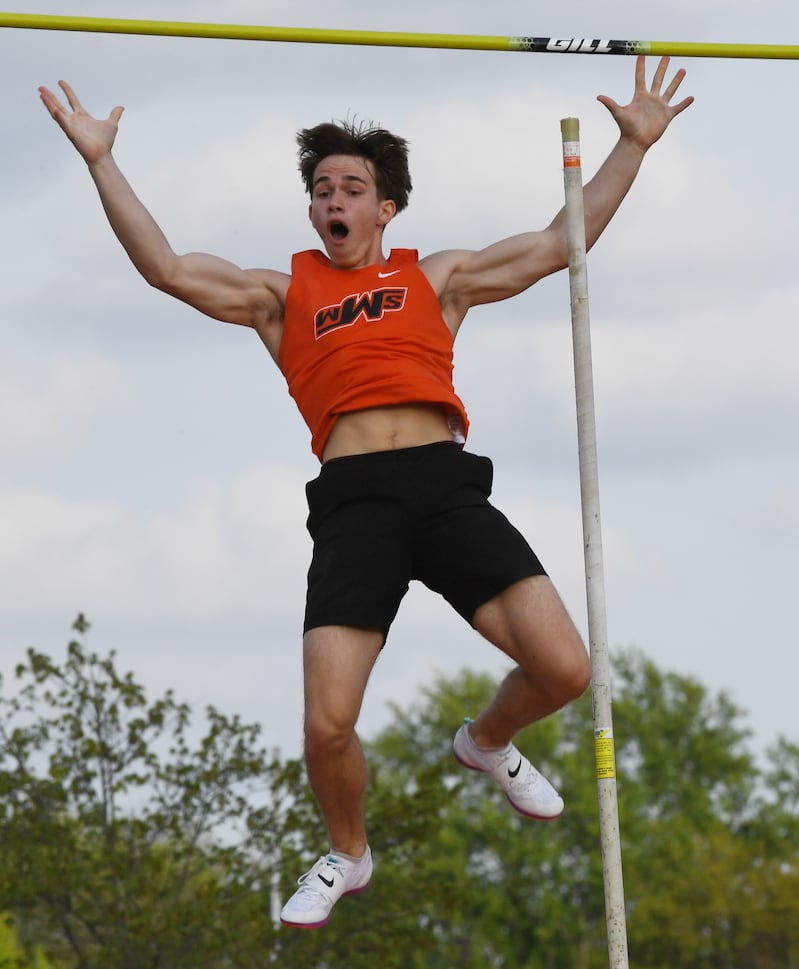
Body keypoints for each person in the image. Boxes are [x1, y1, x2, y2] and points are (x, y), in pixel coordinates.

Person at [39, 55, 692, 930]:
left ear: (385, 208)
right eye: (321, 189)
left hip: (443, 485)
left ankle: (487, 741)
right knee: (328, 724)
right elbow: (163, 266)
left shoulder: (438, 278)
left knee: (567, 669)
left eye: (351, 187)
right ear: (312, 209)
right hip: (355, 501)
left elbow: (553, 244)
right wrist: (100, 160)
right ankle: (349, 852)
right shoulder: (282, 295)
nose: (333, 200)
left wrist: (633, 146)